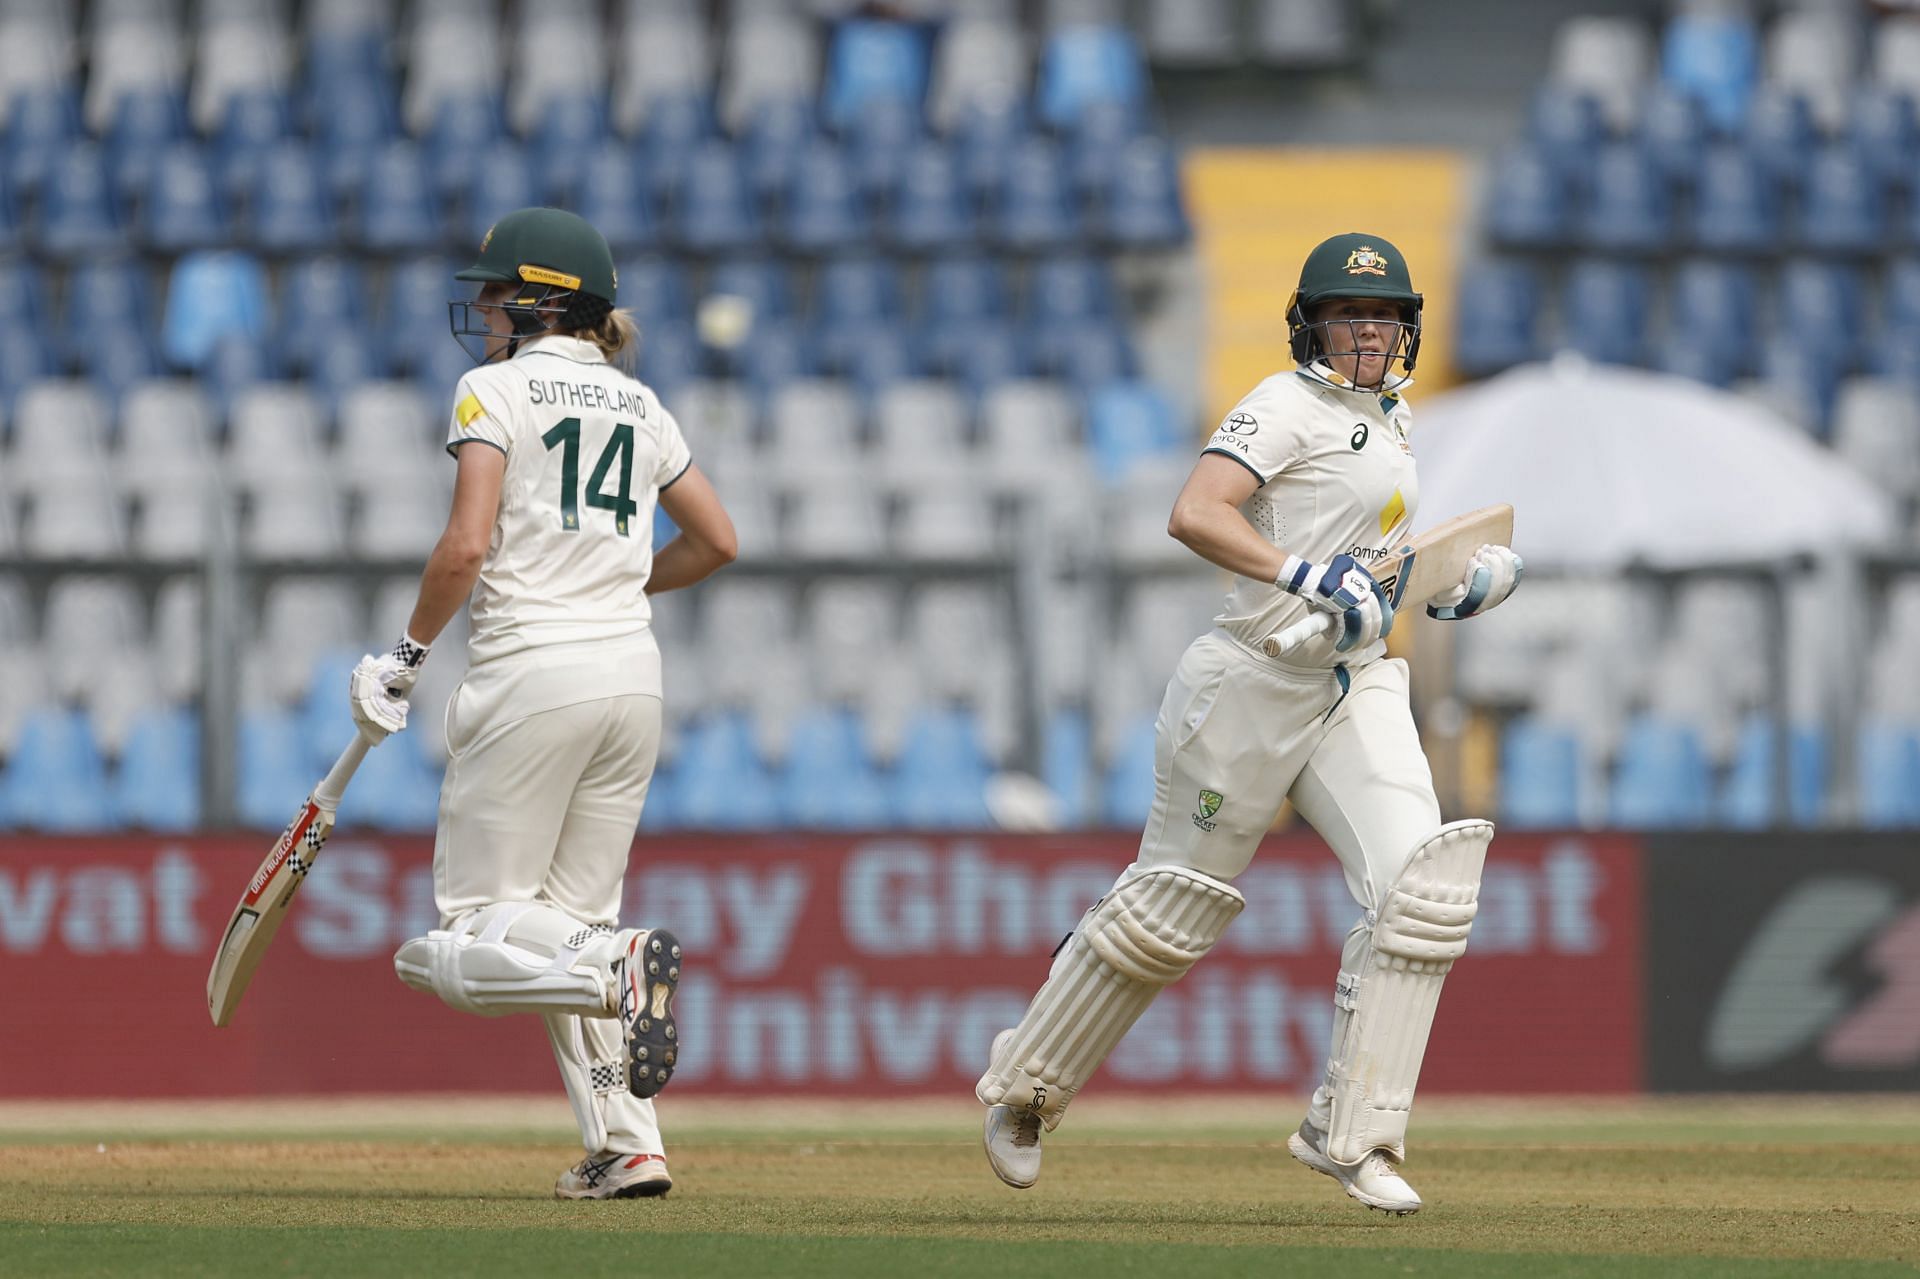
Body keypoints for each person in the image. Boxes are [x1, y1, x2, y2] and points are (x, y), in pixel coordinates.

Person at [974, 233, 1522, 1214]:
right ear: (1312, 323)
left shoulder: (1392, 422)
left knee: (1423, 889)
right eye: (1354, 317)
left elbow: (1376, 565)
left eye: (1388, 318)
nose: (1371, 334)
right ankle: (1026, 1086)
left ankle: (1353, 1136)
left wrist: (1448, 583)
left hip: (1354, 683)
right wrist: (1303, 575)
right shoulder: (1281, 405)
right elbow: (1195, 512)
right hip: (1251, 680)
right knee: (1170, 913)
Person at [357, 207, 737, 1200]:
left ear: (536, 301)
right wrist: (618, 584)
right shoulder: (644, 406)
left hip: (531, 677)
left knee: (470, 930)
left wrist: (402, 655)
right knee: (563, 927)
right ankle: (630, 1144)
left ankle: (615, 961)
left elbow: (465, 547)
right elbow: (719, 540)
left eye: (493, 293)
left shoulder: (492, 389)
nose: (481, 310)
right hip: (632, 682)